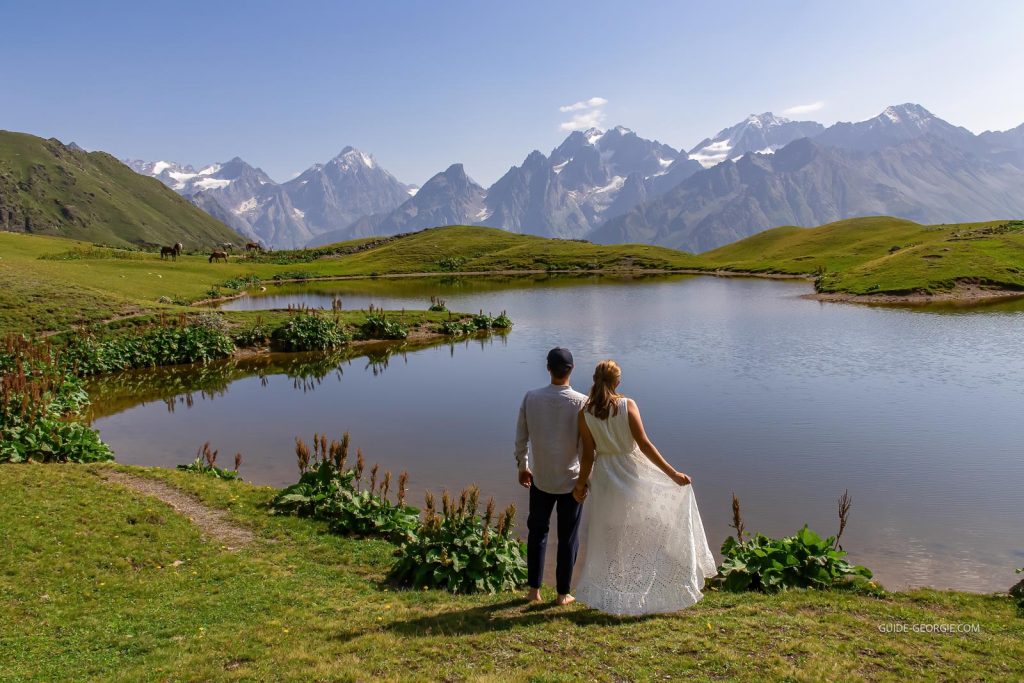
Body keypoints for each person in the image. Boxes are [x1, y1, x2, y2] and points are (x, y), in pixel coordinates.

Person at [572, 360, 716, 615]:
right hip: (630, 471)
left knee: (610, 534)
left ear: (595, 380)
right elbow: (645, 445)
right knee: (637, 529)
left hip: (604, 476)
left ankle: (613, 591)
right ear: (617, 382)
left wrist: (581, 485)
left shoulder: (585, 413)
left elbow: (587, 455)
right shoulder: (627, 406)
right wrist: (673, 474)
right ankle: (640, 588)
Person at [514, 347, 588, 605]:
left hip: (541, 479)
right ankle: (562, 593)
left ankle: (533, 591)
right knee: (568, 538)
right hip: (571, 483)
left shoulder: (531, 398)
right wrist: (585, 481)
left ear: (548, 368)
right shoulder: (582, 402)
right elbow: (585, 447)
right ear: (572, 369)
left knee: (537, 534)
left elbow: (521, 437)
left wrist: (523, 466)